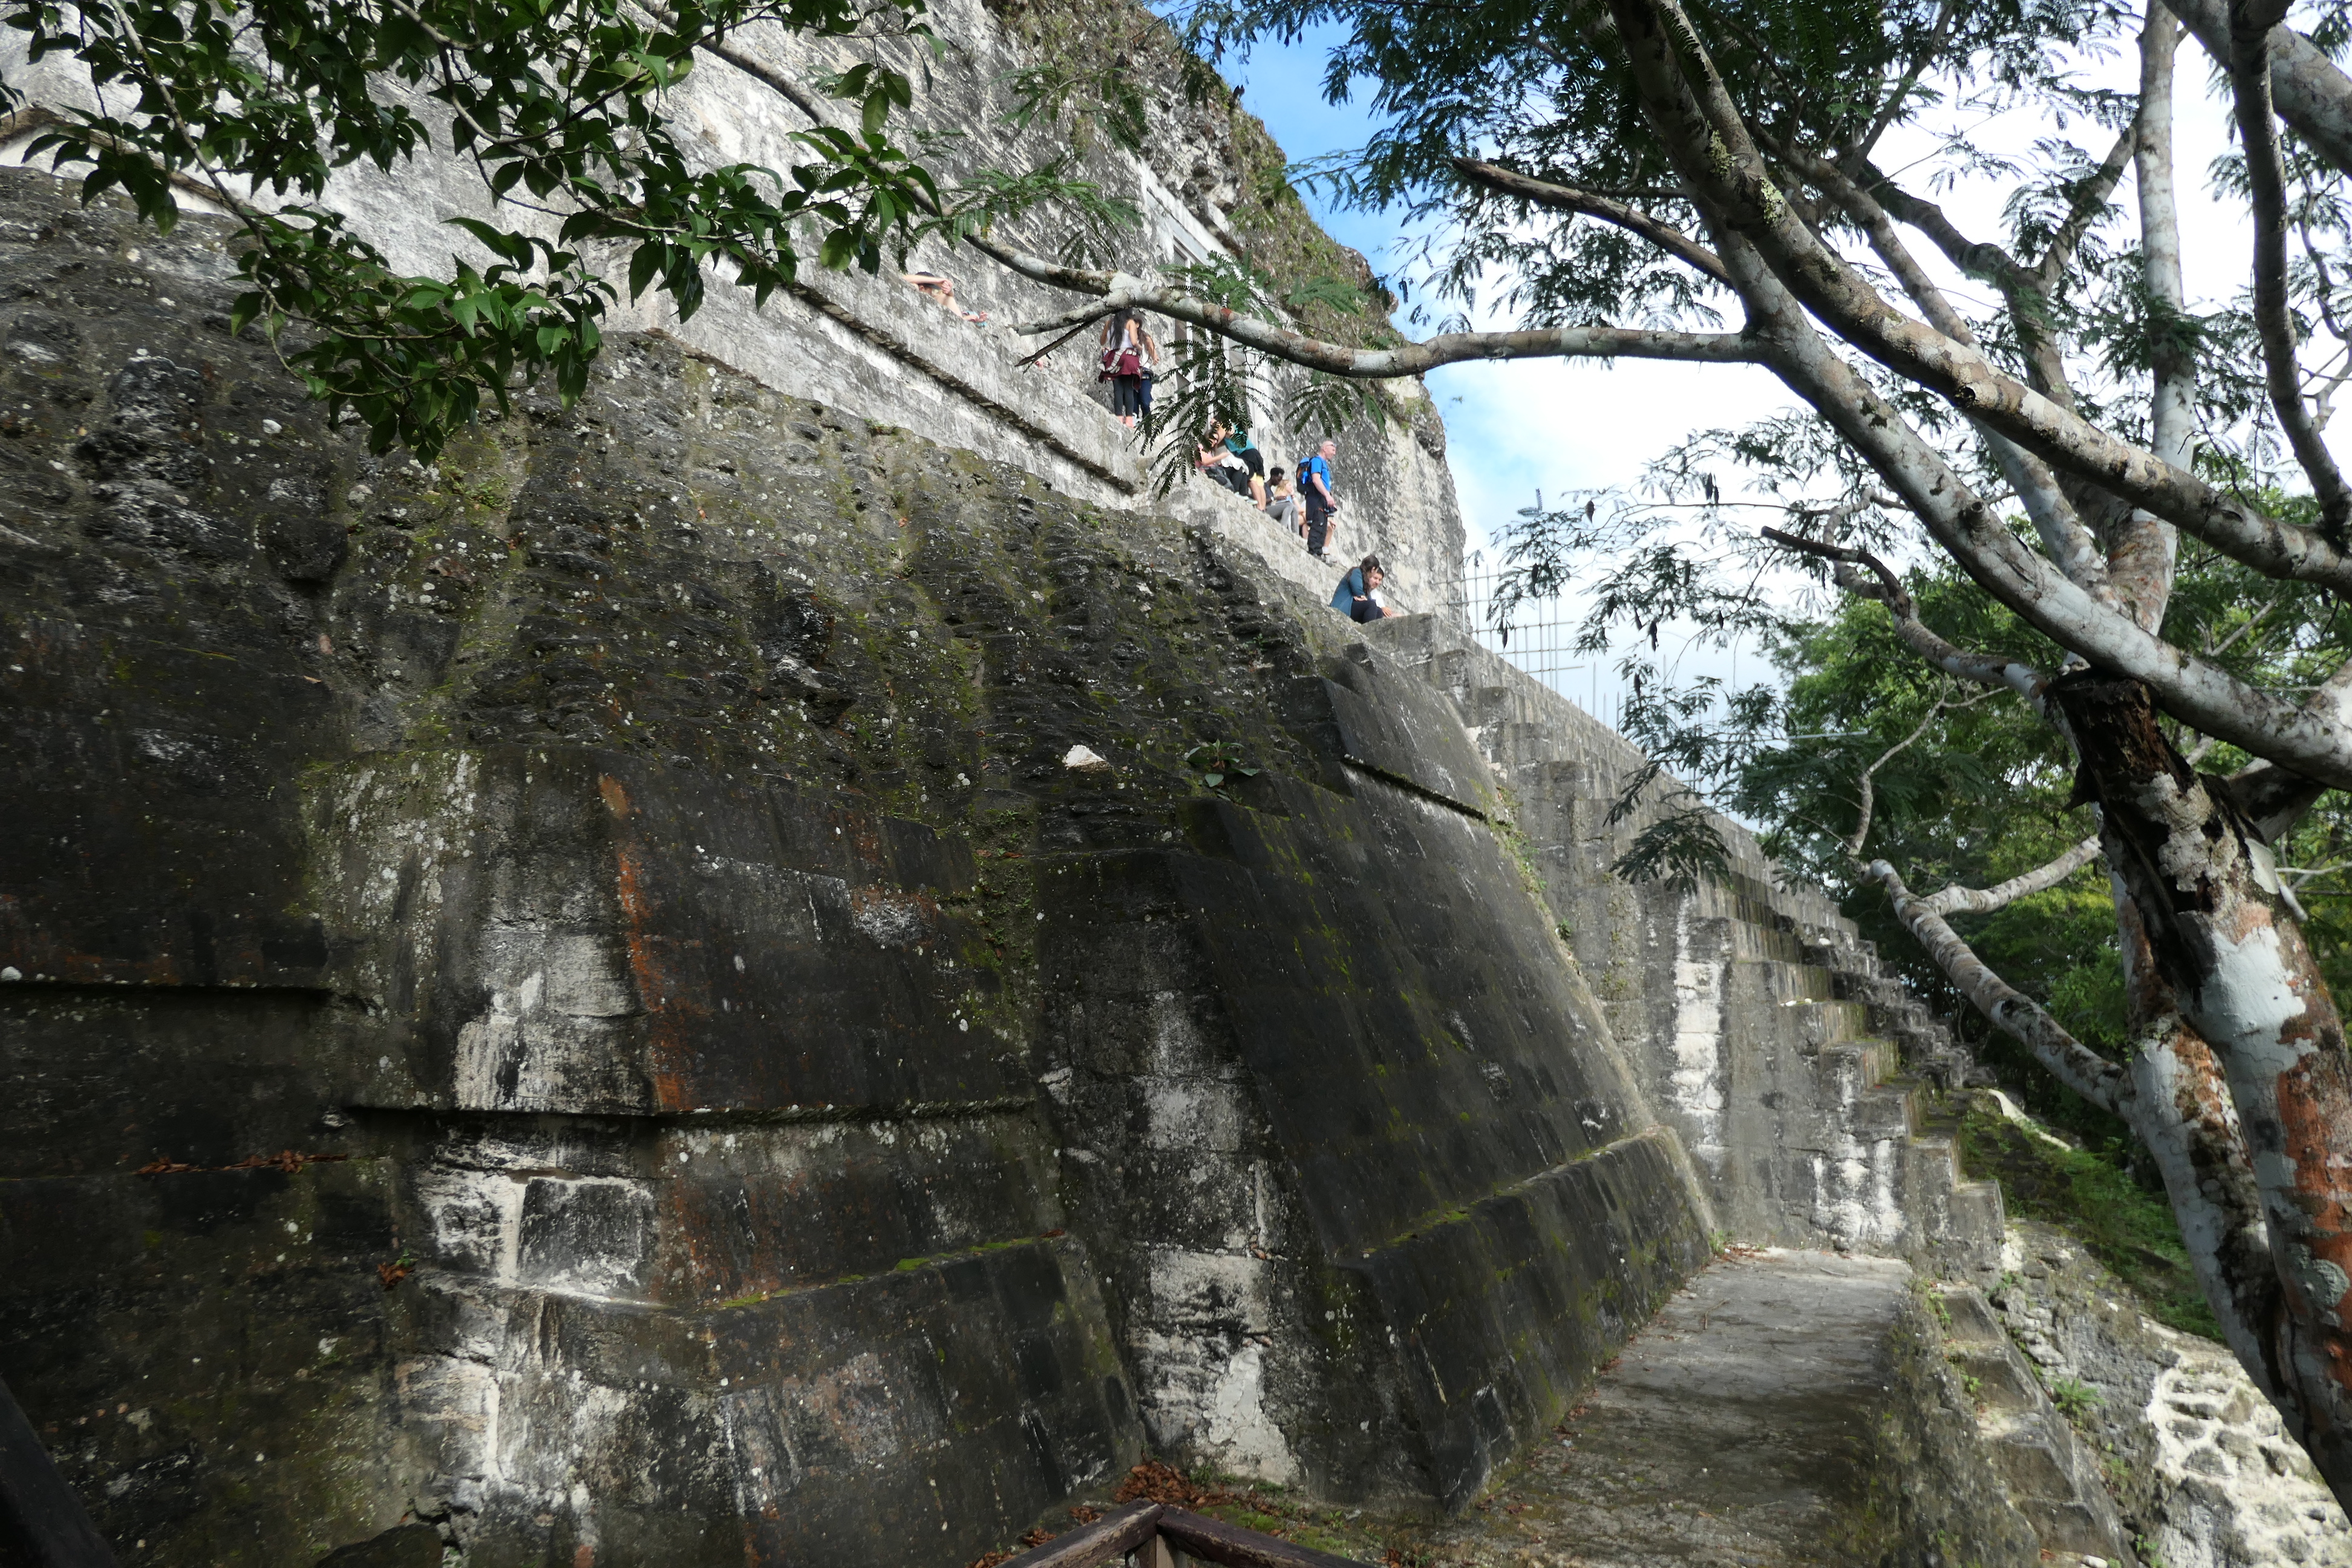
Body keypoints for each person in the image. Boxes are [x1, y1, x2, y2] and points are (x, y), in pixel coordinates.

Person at [1099, 309, 1160, 427]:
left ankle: (1118, 417)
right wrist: (1139, 348)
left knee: (1117, 389)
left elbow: (1102, 341)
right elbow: (1133, 341)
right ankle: (1130, 421)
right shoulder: (1130, 323)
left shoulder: (1109, 322)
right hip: (1128, 357)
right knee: (1128, 388)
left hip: (1114, 357)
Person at [1213, 420, 1268, 507]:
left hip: (1246, 454)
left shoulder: (1225, 425)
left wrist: (1215, 426)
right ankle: (1263, 508)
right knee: (1259, 483)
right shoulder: (1235, 429)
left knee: (1251, 481)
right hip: (1254, 453)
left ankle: (1260, 507)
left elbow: (1218, 437)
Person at [901, 270, 987, 323]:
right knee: (915, 287)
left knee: (948, 298)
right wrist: (936, 281)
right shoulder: (915, 287)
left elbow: (949, 296)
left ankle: (961, 320)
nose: (933, 293)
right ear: (922, 288)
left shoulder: (936, 297)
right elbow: (904, 278)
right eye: (932, 290)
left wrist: (975, 320)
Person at [1302, 438, 1339, 557]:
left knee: (1323, 525)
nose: (1334, 453)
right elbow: (1316, 480)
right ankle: (1314, 551)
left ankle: (1318, 552)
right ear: (1325, 448)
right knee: (1318, 523)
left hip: (1321, 497)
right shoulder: (1317, 461)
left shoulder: (1324, 464)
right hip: (1316, 496)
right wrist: (1327, 496)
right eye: (1333, 449)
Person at [1330, 555, 1391, 622]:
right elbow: (1356, 588)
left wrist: (1364, 598)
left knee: (1378, 610)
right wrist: (1362, 596)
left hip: (1352, 608)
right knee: (1371, 605)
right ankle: (1367, 630)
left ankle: (1373, 630)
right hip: (1344, 607)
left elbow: (1367, 598)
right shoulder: (1357, 571)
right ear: (1373, 569)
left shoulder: (1366, 582)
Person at [1194, 429, 1252, 495]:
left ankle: (1244, 494)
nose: (1215, 442)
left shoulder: (1210, 451)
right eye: (1214, 439)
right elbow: (1204, 462)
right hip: (1208, 473)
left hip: (1214, 471)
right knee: (1237, 469)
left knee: (1241, 468)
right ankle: (1235, 492)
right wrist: (1220, 457)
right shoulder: (1200, 447)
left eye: (1217, 440)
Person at [1264, 465, 1304, 540]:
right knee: (1289, 505)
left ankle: (1296, 534)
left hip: (1270, 510)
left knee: (1294, 507)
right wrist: (1275, 498)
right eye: (1279, 480)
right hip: (1265, 509)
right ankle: (1282, 528)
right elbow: (1261, 501)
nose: (1279, 483)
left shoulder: (1271, 491)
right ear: (1273, 477)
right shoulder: (1264, 486)